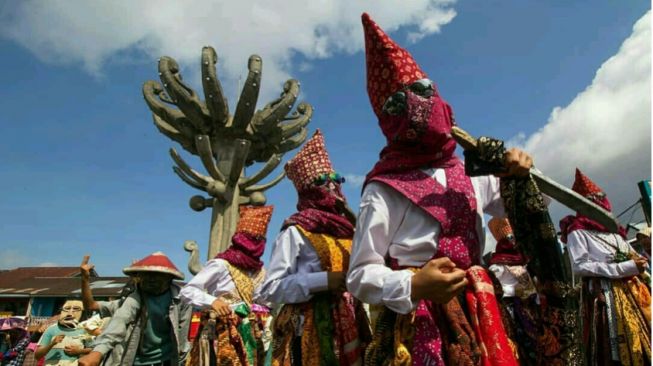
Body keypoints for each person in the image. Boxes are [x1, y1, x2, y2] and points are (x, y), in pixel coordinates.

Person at [346, 13, 533, 366]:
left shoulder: (472, 173)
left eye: (423, 91)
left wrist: (519, 174)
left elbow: (514, 209)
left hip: (481, 307)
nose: (417, 105)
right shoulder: (383, 189)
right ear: (388, 121)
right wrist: (413, 287)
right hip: (417, 315)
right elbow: (359, 275)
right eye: (400, 104)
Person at [259, 129, 371, 366]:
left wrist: (351, 217)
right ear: (308, 187)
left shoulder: (347, 230)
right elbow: (269, 289)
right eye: (322, 181)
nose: (331, 186)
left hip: (351, 320)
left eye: (336, 179)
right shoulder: (296, 230)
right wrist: (322, 280)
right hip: (310, 327)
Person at [560, 168, 651, 365]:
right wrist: (624, 267)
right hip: (606, 294)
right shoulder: (578, 231)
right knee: (611, 350)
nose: (601, 203)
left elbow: (630, 253)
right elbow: (579, 266)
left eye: (602, 198)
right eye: (595, 200)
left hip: (631, 291)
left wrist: (638, 262)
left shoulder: (614, 230)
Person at [181, 205, 275, 366]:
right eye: (249, 238)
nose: (253, 243)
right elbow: (187, 291)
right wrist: (212, 301)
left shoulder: (259, 271)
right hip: (219, 330)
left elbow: (262, 300)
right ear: (239, 238)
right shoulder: (221, 264)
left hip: (249, 333)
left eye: (258, 240)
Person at [77, 252, 192, 366]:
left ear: (169, 278)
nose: (151, 279)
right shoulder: (132, 300)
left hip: (166, 360)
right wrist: (85, 280)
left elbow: (182, 335)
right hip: (134, 360)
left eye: (156, 275)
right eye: (146, 275)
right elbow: (114, 318)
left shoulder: (181, 300)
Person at [486, 218, 540, 365]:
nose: (514, 242)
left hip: (531, 307)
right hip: (513, 309)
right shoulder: (498, 264)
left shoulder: (525, 261)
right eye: (510, 238)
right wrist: (514, 291)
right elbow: (497, 287)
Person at [35, 300, 92, 365]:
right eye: (67, 308)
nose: (70, 313)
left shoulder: (84, 330)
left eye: (76, 309)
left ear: (82, 312)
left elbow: (94, 350)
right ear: (61, 311)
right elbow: (37, 356)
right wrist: (51, 344)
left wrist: (79, 351)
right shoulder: (51, 329)